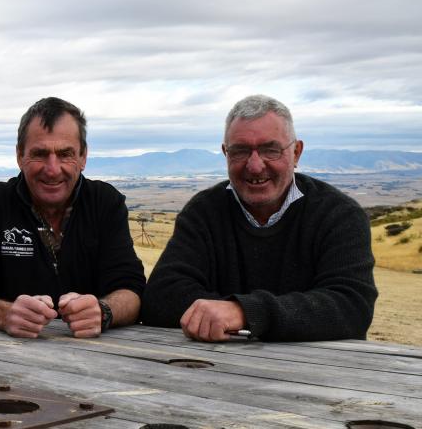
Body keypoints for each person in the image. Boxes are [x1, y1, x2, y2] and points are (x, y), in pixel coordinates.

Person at [141, 94, 377, 342]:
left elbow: (351, 307)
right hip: (216, 369)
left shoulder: (339, 214)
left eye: (270, 150)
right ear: (225, 153)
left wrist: (244, 312)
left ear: (296, 153)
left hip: (321, 374)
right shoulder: (203, 212)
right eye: (240, 151)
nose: (254, 166)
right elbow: (161, 298)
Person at [0, 97, 145, 338]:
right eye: (40, 154)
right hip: (3, 359)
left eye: (65, 154)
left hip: (97, 360)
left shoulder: (105, 202)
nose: (52, 169)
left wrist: (103, 311)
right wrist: (3, 313)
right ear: (20, 156)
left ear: (83, 157)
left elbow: (133, 290)